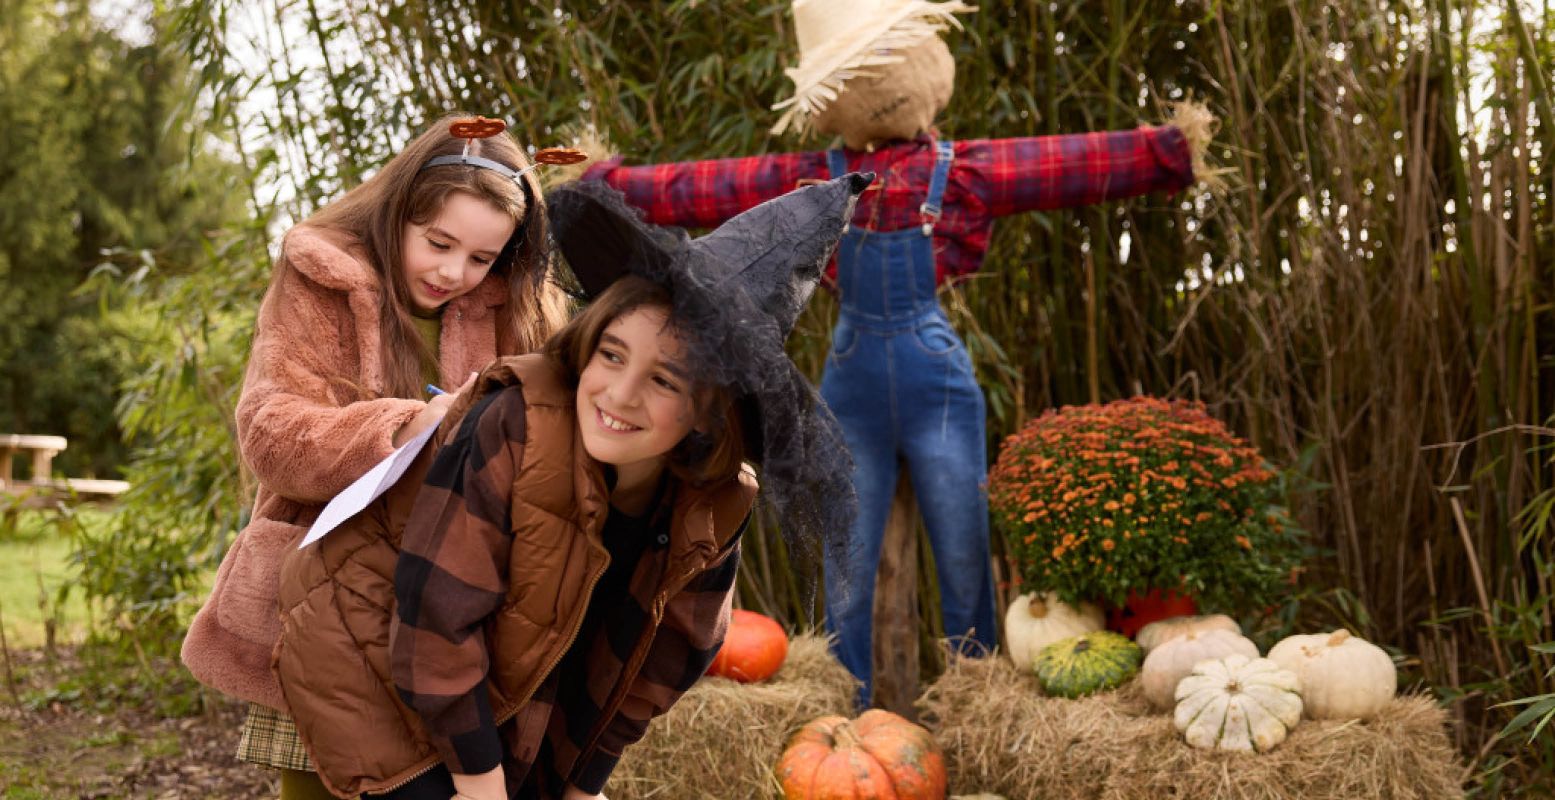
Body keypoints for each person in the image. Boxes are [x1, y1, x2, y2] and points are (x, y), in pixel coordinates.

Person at [269, 173, 870, 798]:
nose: (620, 394)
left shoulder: (720, 500)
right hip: (371, 633)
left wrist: (581, 785)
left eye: (664, 381)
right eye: (612, 355)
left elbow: (657, 663)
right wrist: (481, 788)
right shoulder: (515, 421)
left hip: (503, 672)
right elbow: (436, 623)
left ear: (711, 411)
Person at [179, 114, 571, 799]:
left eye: (481, 258)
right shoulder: (324, 276)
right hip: (319, 598)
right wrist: (405, 426)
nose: (454, 272)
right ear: (398, 212)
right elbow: (270, 431)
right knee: (320, 783)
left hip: (449, 609)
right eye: (438, 243)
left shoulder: (520, 305)